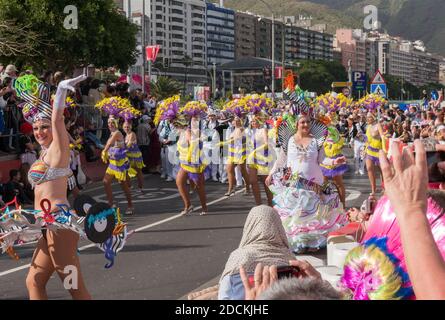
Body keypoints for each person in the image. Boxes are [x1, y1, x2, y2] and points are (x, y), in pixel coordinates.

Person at [13, 74, 91, 299]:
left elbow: (57, 119)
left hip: (60, 223)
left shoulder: (59, 148)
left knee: (73, 286)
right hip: (44, 224)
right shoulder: (43, 153)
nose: (39, 132)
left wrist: (61, 91)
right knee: (34, 281)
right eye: (35, 128)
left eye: (44, 127)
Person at [266, 113, 346, 253]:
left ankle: (313, 242)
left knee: (313, 216)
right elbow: (280, 161)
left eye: (308, 122)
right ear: (296, 124)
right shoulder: (289, 141)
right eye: (302, 122)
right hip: (294, 184)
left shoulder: (316, 141)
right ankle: (299, 243)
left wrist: (334, 162)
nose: (306, 125)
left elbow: (322, 160)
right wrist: (271, 173)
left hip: (314, 184)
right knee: (297, 216)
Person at [218, 205, 295, 300]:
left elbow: (224, 295)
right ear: (278, 228)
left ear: (250, 227)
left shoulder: (238, 257)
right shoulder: (290, 259)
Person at [101, 115, 135, 215]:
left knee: (124, 186)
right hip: (112, 164)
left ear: (116, 124)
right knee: (105, 182)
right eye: (108, 123)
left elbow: (109, 144)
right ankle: (111, 204)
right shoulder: (112, 133)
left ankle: (130, 206)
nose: (110, 125)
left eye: (112, 123)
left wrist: (104, 151)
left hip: (120, 165)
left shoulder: (117, 133)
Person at [247, 114, 273, 206]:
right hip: (252, 158)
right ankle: (258, 204)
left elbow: (266, 143)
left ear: (259, 122)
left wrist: (256, 150)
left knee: (266, 182)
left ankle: (271, 204)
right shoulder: (250, 132)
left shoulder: (263, 130)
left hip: (262, 158)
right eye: (252, 121)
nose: (253, 123)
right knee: (252, 181)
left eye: (255, 121)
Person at [320, 126, 348, 208]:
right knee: (324, 185)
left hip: (336, 164)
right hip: (324, 164)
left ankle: (343, 205)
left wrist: (336, 136)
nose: (328, 133)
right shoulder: (322, 139)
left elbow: (341, 143)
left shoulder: (338, 140)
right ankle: (325, 206)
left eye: (330, 131)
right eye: (327, 132)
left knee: (338, 184)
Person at [225, 116, 250, 197]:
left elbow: (239, 138)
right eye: (234, 121)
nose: (236, 122)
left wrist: (229, 141)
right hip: (232, 153)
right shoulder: (232, 130)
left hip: (240, 153)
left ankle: (247, 188)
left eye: (238, 121)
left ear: (241, 121)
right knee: (229, 169)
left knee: (243, 171)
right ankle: (231, 188)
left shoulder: (241, 129)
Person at [364, 112, 384, 196]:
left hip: (379, 152)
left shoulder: (378, 125)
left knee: (382, 171)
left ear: (373, 117)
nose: (367, 119)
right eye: (367, 117)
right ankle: (373, 189)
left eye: (369, 117)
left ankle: (385, 187)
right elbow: (367, 139)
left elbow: (382, 136)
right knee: (369, 168)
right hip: (369, 151)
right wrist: (364, 148)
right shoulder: (368, 127)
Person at [123, 118, 145, 193]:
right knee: (126, 171)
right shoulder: (125, 135)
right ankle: (129, 186)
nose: (126, 128)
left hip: (135, 156)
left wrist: (122, 150)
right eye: (125, 127)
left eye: (128, 127)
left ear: (131, 127)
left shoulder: (132, 134)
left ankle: (140, 188)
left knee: (138, 171)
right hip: (128, 156)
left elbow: (128, 145)